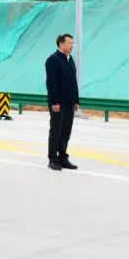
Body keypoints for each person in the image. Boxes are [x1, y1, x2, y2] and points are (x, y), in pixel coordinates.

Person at [45, 33, 79, 171]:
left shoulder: (70, 59)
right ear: (61, 44)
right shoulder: (53, 60)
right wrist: (54, 102)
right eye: (69, 43)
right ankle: (53, 159)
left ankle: (63, 157)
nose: (72, 45)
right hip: (58, 103)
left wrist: (76, 100)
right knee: (56, 131)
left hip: (69, 102)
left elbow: (73, 81)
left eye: (72, 43)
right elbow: (51, 83)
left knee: (66, 131)